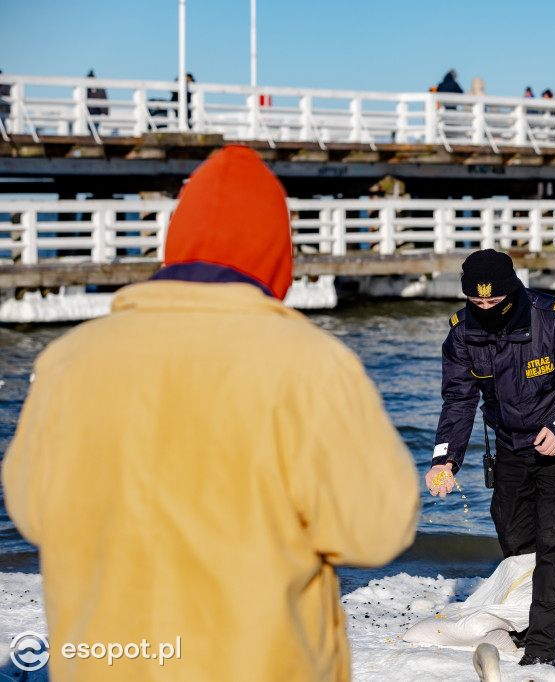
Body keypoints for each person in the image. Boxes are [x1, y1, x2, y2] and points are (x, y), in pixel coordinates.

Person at [2, 145, 421, 682]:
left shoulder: (68, 360)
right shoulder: (310, 363)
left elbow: (32, 511)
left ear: (174, 244)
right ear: (276, 253)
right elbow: (376, 529)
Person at [427, 249, 555, 669]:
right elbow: (458, 400)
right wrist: (445, 460)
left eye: (493, 302)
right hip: (510, 451)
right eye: (476, 303)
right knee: (517, 546)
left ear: (512, 290)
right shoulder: (462, 332)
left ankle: (543, 651)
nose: (484, 310)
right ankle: (523, 624)